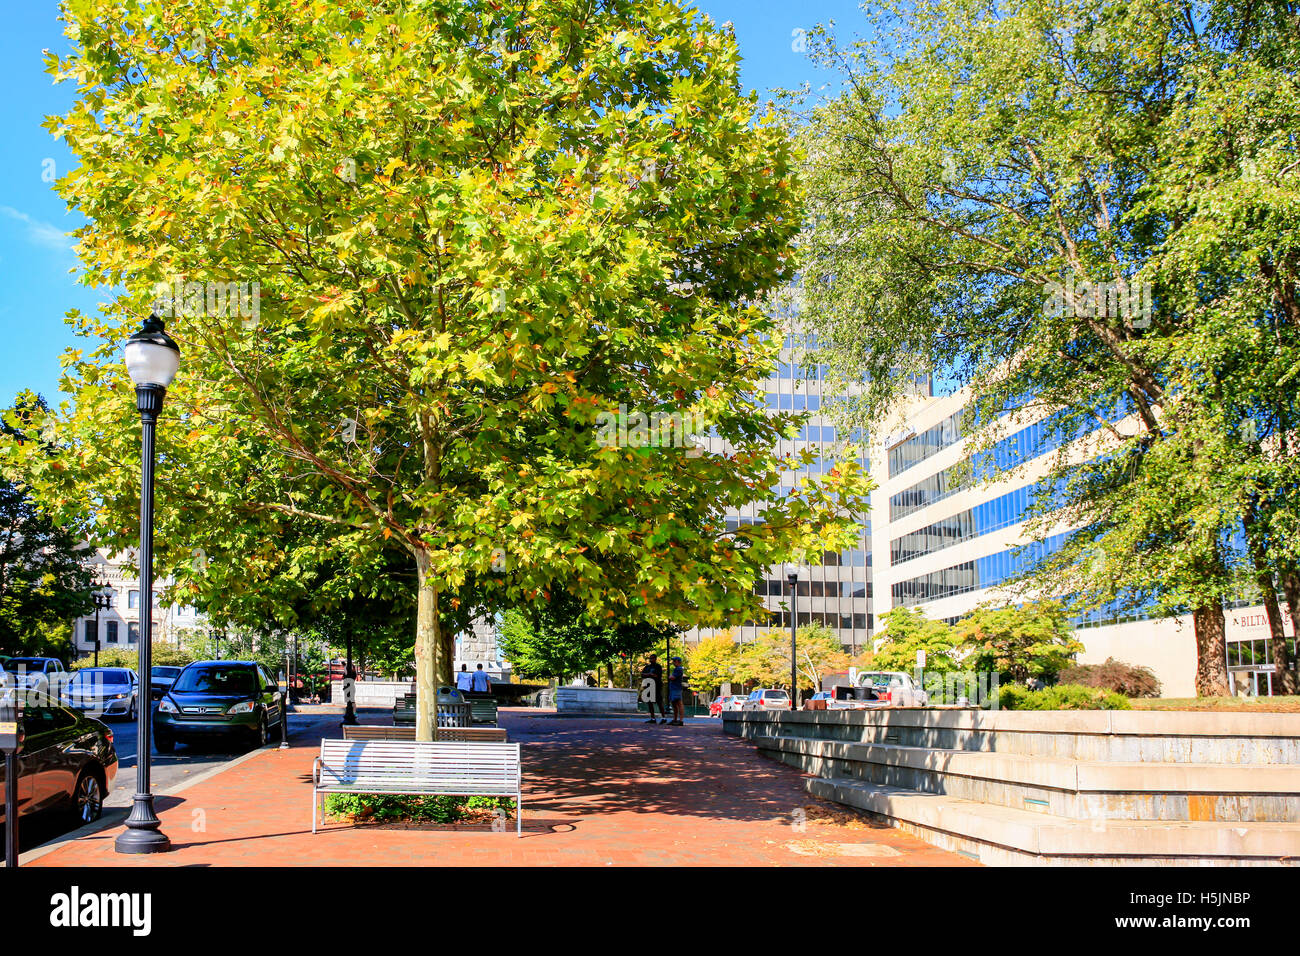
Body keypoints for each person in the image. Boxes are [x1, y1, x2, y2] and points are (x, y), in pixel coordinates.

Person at [640, 654, 668, 724]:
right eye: (650, 658)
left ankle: (663, 718)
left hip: (656, 686)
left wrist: (648, 675)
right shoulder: (647, 667)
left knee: (659, 702)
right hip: (648, 686)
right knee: (649, 702)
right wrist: (649, 674)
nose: (651, 660)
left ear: (655, 659)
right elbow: (642, 674)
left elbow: (657, 675)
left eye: (652, 658)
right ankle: (653, 718)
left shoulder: (658, 666)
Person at [667, 656, 686, 725]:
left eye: (674, 661)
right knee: (674, 704)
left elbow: (672, 677)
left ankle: (680, 720)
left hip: (676, 688)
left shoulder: (678, 669)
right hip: (674, 688)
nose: (673, 662)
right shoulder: (677, 669)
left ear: (678, 662)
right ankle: (675, 719)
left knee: (679, 703)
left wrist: (670, 676)